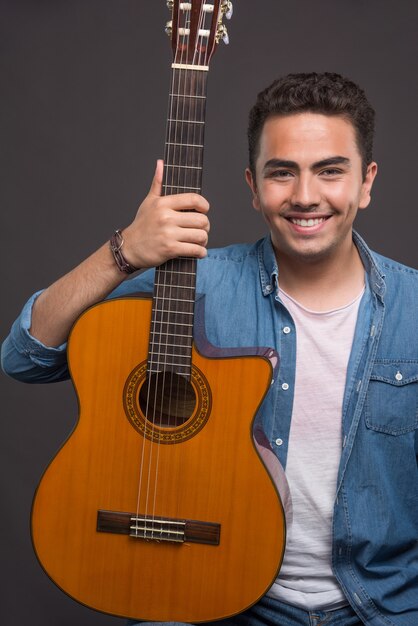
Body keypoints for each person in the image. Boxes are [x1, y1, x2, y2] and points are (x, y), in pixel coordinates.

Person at [2, 72, 417, 626]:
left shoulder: (413, 310)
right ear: (252, 186)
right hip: (214, 601)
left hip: (384, 609)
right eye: (281, 173)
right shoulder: (191, 284)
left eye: (330, 171)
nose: (305, 196)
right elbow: (26, 356)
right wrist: (122, 252)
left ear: (366, 182)